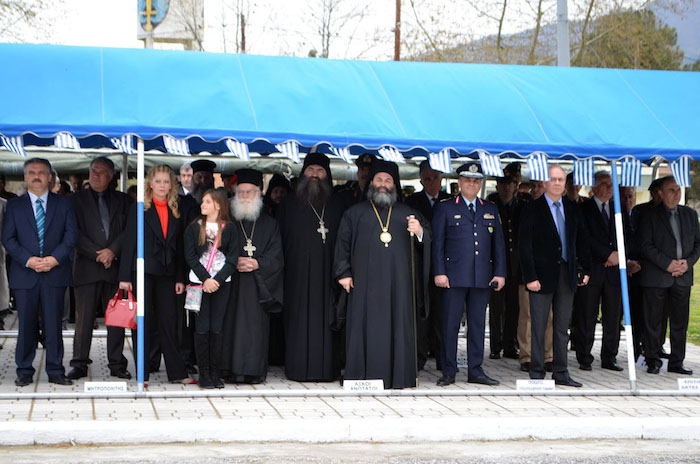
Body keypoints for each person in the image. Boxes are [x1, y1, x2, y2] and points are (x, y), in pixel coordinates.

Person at [334, 159, 431, 389]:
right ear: (371, 183)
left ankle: (398, 376)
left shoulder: (409, 214)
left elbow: (428, 240)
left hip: (399, 288)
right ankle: (361, 376)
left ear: (395, 184)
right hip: (364, 286)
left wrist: (420, 232)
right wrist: (343, 273)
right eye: (379, 179)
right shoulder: (354, 214)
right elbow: (341, 245)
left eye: (388, 180)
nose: (383, 184)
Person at [2, 158, 78, 387]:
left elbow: (71, 236)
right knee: (25, 325)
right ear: (25, 177)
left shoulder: (64, 204)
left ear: (50, 177)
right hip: (26, 275)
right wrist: (28, 260)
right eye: (32, 172)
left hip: (54, 273)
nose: (36, 176)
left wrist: (54, 259)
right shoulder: (14, 206)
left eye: (42, 172)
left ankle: (55, 370)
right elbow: (8, 238)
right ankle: (24, 370)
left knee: (54, 324)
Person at [118, 164, 194, 385]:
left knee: (170, 322)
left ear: (172, 185)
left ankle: (177, 372)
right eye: (158, 181)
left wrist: (181, 277)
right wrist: (124, 277)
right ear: (149, 183)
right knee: (143, 322)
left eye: (166, 182)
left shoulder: (175, 208)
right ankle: (143, 374)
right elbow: (128, 243)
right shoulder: (139, 207)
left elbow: (179, 247)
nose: (162, 186)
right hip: (142, 272)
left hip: (168, 273)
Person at [433, 162, 505, 387]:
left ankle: (476, 370)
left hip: (482, 277)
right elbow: (438, 244)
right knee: (450, 325)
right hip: (453, 277)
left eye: (476, 181)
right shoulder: (445, 208)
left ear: (480, 184)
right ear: (459, 183)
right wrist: (439, 272)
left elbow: (498, 246)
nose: (471, 184)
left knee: (477, 325)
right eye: (467, 180)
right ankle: (448, 370)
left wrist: (500, 273)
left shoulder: (490, 209)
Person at [519, 165, 591, 387]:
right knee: (539, 326)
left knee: (562, 327)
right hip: (540, 276)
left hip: (566, 274)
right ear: (545, 182)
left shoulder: (573, 208)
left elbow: (582, 241)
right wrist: (530, 276)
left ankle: (561, 371)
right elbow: (524, 246)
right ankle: (537, 372)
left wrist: (584, 269)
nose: (558, 183)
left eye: (561, 179)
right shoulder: (532, 208)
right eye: (553, 179)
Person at [278, 153, 346, 382]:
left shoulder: (338, 205)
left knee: (327, 323)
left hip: (328, 276)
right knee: (297, 322)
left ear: (327, 175)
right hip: (296, 276)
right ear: (303, 173)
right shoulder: (288, 205)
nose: (315, 175)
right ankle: (297, 369)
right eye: (310, 170)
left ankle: (327, 369)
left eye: (320, 170)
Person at [67, 157, 132, 381]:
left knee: (117, 320)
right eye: (93, 171)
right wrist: (98, 254)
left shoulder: (123, 200)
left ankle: (116, 363)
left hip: (115, 269)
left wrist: (112, 250)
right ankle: (79, 363)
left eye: (102, 172)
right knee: (83, 320)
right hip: (87, 267)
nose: (96, 175)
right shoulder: (75, 201)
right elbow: (73, 233)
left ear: (111, 176)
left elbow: (129, 231)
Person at [222, 169, 283, 384]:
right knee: (230, 326)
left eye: (250, 192)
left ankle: (254, 371)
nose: (246, 196)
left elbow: (277, 257)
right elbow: (216, 250)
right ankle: (229, 370)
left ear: (259, 193)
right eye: (242, 192)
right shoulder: (227, 220)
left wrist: (258, 263)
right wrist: (232, 261)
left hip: (258, 287)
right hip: (233, 285)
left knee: (255, 330)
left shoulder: (270, 224)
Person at [638, 176, 700, 375]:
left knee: (680, 321)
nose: (676, 193)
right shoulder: (650, 215)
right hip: (657, 275)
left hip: (682, 276)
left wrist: (687, 263)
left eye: (678, 189)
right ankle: (653, 359)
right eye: (671, 190)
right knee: (654, 320)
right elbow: (645, 245)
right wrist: (667, 264)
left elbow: (698, 244)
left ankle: (677, 361)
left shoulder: (690, 214)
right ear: (660, 193)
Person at [575, 171, 631, 372]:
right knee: (587, 315)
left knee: (613, 316)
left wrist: (618, 255)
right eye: (605, 184)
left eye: (611, 184)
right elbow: (584, 238)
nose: (609, 187)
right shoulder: (584, 209)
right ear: (594, 188)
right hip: (594, 269)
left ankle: (610, 356)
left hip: (614, 272)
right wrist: (607, 254)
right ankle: (584, 356)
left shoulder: (619, 209)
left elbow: (628, 235)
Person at [184, 188, 239, 389]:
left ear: (218, 204)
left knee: (216, 327)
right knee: (201, 328)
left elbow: (233, 258)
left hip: (221, 284)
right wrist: (206, 279)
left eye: (207, 202)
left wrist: (218, 280)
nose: (202, 205)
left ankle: (215, 373)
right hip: (199, 283)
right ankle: (204, 373)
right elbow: (190, 256)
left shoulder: (230, 229)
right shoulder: (194, 228)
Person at [405, 160, 450, 370]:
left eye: (436, 178)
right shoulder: (412, 202)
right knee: (421, 314)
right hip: (420, 266)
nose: (432, 183)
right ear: (421, 180)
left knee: (443, 314)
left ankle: (443, 359)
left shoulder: (451, 201)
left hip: (445, 267)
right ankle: (419, 358)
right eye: (427, 179)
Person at [485, 168, 521, 361]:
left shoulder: (521, 205)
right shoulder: (491, 205)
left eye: (510, 184)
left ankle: (510, 344)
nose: (506, 187)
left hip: (515, 265)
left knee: (514, 308)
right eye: (503, 184)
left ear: (515, 186)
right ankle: (495, 346)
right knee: (497, 308)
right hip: (496, 265)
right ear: (497, 186)